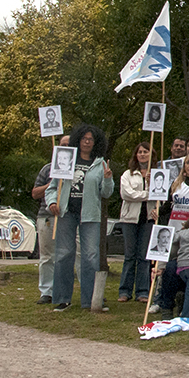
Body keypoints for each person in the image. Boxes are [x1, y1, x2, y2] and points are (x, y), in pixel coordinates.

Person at [45, 124, 114, 312]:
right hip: (66, 213)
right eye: (84, 138)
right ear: (78, 140)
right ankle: (62, 298)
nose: (87, 142)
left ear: (96, 142)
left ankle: (90, 300)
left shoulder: (101, 164)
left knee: (91, 256)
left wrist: (107, 179)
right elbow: (52, 188)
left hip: (90, 215)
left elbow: (106, 193)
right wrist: (52, 203)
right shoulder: (65, 160)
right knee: (63, 254)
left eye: (91, 139)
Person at [31, 134, 69, 304]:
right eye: (63, 144)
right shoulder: (47, 169)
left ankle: (66, 291)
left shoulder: (79, 168)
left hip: (69, 217)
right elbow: (34, 193)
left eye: (69, 145)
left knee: (69, 255)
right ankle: (47, 291)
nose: (66, 147)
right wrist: (52, 183)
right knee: (47, 256)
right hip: (47, 217)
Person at [119, 142, 154, 303]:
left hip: (148, 219)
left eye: (145, 151)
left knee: (144, 256)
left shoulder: (156, 174)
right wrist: (147, 194)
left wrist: (150, 184)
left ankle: (142, 291)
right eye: (139, 152)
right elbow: (127, 194)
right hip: (129, 219)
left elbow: (160, 194)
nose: (142, 154)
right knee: (129, 255)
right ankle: (125, 291)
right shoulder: (128, 174)